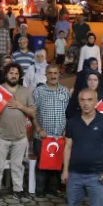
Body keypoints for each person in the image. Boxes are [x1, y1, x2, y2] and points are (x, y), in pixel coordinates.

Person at [0, 63, 36, 202]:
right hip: (1, 136)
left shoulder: (26, 91)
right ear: (6, 75)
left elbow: (33, 112)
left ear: (19, 75)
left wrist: (20, 106)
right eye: (11, 73)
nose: (13, 75)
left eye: (16, 73)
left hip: (20, 137)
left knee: (17, 166)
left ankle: (18, 191)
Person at [33, 64, 70, 197]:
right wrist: (38, 129)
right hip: (42, 135)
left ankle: (54, 189)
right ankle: (40, 190)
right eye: (50, 73)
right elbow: (33, 113)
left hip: (59, 136)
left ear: (59, 74)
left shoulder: (65, 92)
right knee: (42, 164)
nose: (53, 76)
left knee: (56, 163)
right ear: (46, 75)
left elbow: (69, 113)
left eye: (55, 73)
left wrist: (66, 129)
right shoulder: (39, 91)